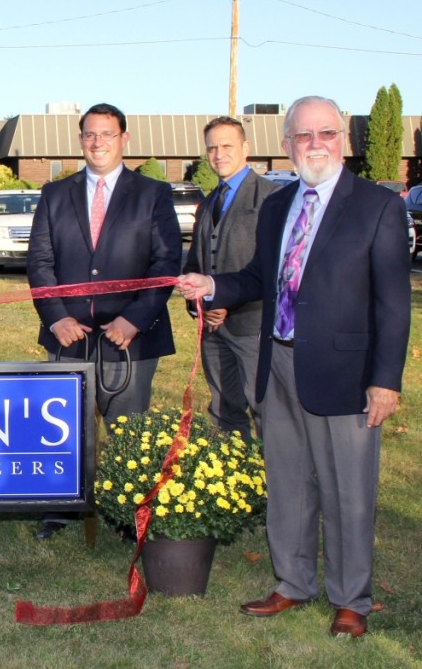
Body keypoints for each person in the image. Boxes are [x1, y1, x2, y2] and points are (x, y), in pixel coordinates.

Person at [177, 96, 410, 638]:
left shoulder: (377, 206)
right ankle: (293, 582)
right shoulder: (279, 206)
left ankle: (352, 597)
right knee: (287, 482)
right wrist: (213, 285)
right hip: (277, 362)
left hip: (346, 374)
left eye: (325, 133)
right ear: (286, 145)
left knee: (347, 490)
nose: (314, 144)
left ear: (344, 141)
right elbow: (260, 277)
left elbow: (394, 304)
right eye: (302, 136)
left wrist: (384, 381)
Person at [26, 102, 182, 540]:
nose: (97, 143)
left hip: (129, 340)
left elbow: (165, 263)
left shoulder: (153, 194)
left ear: (124, 139)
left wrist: (134, 320)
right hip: (67, 337)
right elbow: (40, 262)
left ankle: (128, 516)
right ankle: (61, 510)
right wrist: (55, 318)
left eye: (107, 134)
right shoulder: (56, 195)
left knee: (128, 433)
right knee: (63, 431)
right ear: (80, 141)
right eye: (90, 135)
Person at [182, 116, 280, 442]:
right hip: (213, 330)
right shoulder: (209, 202)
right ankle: (235, 482)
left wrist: (226, 300)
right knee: (224, 411)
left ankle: (280, 489)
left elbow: (274, 268)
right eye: (212, 147)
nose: (219, 154)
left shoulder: (271, 198)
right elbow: (196, 262)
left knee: (268, 412)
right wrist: (201, 305)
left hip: (255, 326)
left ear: (246, 148)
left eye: (227, 146)